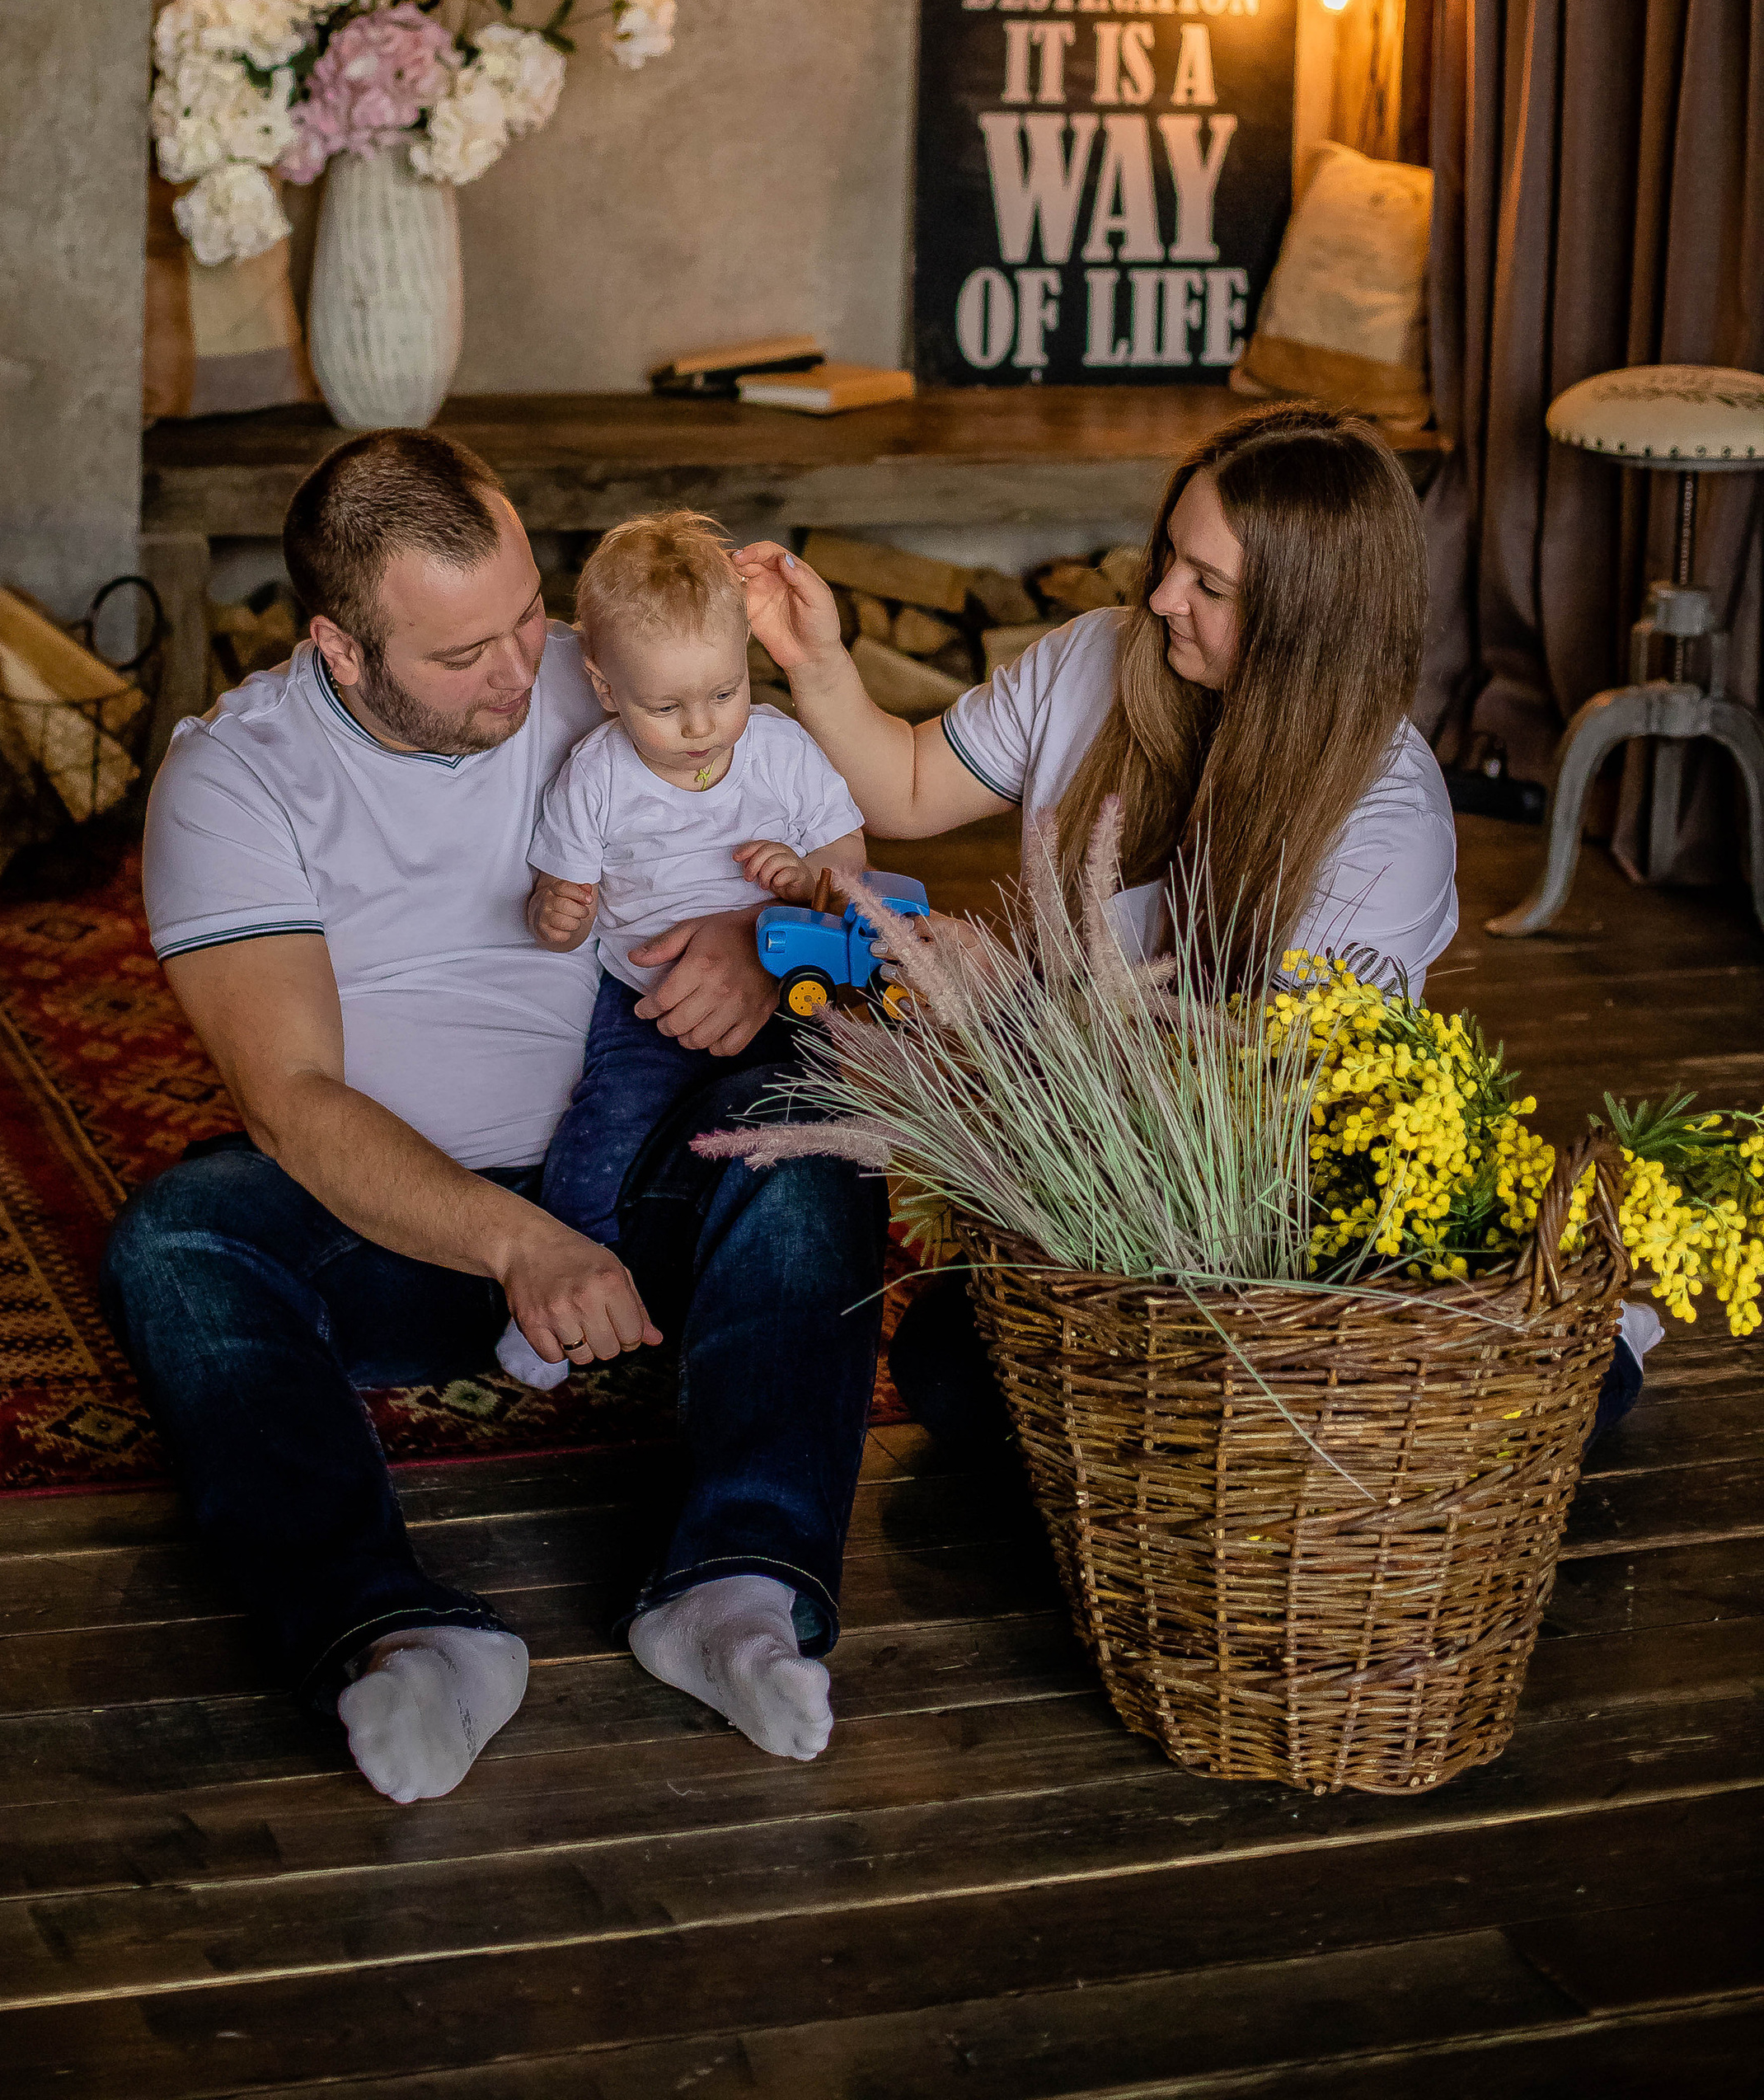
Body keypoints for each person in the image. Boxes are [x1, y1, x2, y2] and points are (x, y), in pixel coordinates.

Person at [101, 429, 885, 1808]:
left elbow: (812, 846)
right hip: (397, 1227)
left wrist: (752, 942)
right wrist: (519, 1245)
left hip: (626, 1179)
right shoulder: (236, 779)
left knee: (813, 1118)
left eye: (528, 616)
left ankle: (739, 1590)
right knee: (180, 1237)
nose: (522, 676)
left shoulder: (603, 681)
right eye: (463, 656)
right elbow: (292, 1104)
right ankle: (396, 1635)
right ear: (344, 650)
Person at [736, 401, 1462, 1446]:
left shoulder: (1386, 818)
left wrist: (1019, 1005)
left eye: (1209, 586)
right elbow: (902, 787)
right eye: (1170, 556)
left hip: (1267, 1235)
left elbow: (1273, 1111)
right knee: (945, 1369)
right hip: (1103, 1194)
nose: (1162, 595)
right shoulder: (1095, 656)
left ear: (1309, 620)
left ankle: (1571, 1350)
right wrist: (814, 660)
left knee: (1242, 1407)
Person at [509, 511, 866, 1343]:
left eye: (722, 693)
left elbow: (847, 867)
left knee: (815, 1133)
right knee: (598, 1145)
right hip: (645, 1006)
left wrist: (802, 877)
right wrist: (556, 914)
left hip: (781, 991)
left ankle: (792, 1295)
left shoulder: (779, 753)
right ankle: (583, 1297)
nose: (701, 727)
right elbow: (558, 914)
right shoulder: (596, 774)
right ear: (604, 689)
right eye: (665, 706)